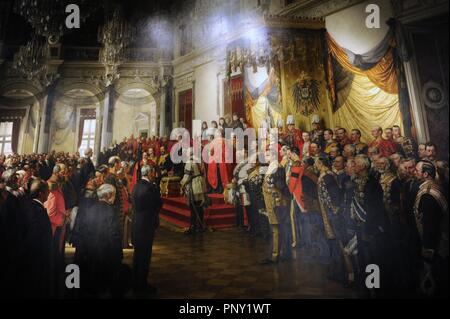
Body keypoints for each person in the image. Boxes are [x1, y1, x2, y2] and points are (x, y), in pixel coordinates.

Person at [414, 160, 448, 297]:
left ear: (426, 174)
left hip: (437, 243)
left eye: (417, 170)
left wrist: (428, 249)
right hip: (440, 239)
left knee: (435, 281)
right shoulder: (434, 186)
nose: (414, 172)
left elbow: (430, 225)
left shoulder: (428, 194)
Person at [81, 184, 123, 296]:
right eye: (114, 195)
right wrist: (118, 254)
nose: (115, 197)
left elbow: (84, 231)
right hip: (107, 253)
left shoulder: (90, 209)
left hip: (92, 252)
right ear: (108, 195)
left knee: (95, 284)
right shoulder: (111, 211)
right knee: (107, 286)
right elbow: (114, 234)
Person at [20, 179, 52, 298]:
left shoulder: (31, 206)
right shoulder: (37, 211)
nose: (49, 193)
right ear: (40, 193)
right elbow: (36, 235)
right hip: (37, 256)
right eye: (47, 191)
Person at [131, 165, 162, 293]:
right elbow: (158, 204)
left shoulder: (137, 186)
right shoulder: (150, 188)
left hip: (137, 223)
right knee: (145, 256)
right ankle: (142, 285)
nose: (154, 175)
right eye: (153, 172)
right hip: (146, 225)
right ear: (149, 173)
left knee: (138, 255)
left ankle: (136, 282)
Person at [181, 150, 208, 234]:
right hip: (201, 184)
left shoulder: (189, 162)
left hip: (194, 185)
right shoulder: (200, 160)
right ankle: (200, 226)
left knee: (193, 208)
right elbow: (203, 173)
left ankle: (193, 226)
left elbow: (187, 176)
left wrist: (182, 183)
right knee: (200, 206)